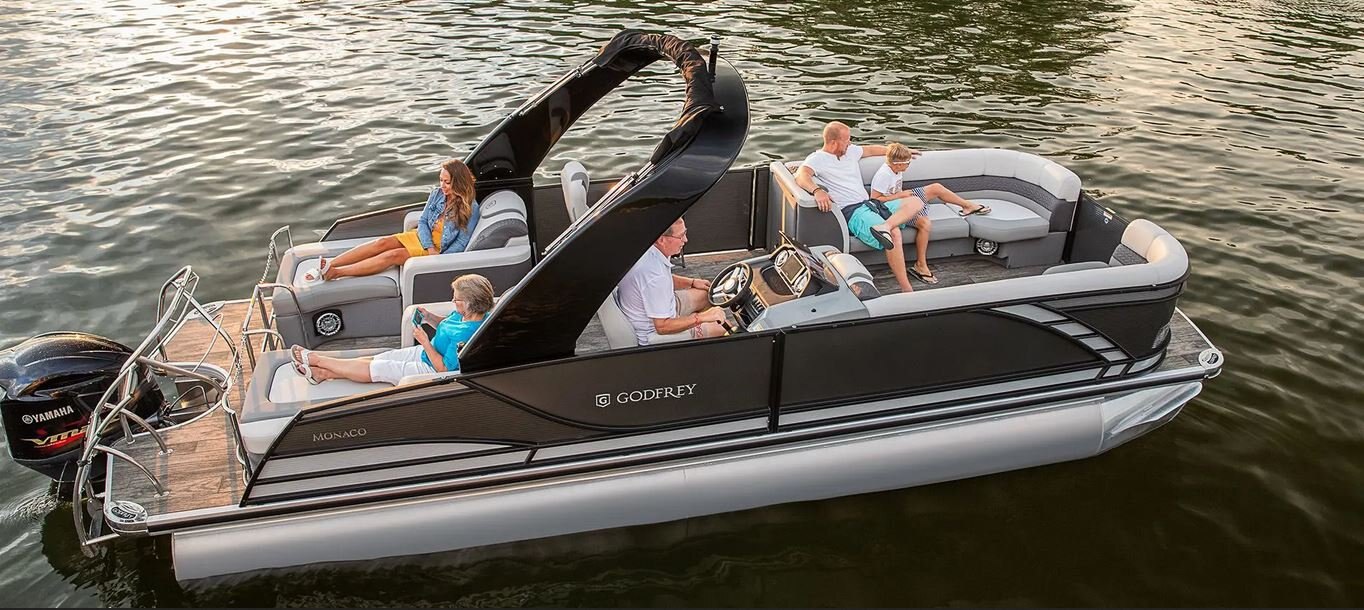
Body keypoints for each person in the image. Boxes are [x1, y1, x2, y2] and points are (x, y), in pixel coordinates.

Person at [793, 122, 990, 292]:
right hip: (853, 212)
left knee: (916, 201)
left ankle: (885, 226)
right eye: (847, 140)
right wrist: (817, 191)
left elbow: (871, 150)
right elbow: (802, 176)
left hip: (872, 205)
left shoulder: (850, 152)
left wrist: (901, 151)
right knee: (894, 233)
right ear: (834, 142)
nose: (850, 143)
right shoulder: (817, 159)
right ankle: (907, 289)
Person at [289, 274, 494, 385]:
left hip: (431, 367)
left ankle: (318, 360)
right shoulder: (466, 313)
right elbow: (446, 325)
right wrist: (429, 317)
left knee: (378, 369)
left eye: (456, 299)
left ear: (469, 302)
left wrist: (424, 341)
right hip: (426, 353)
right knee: (378, 359)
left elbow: (444, 370)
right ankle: (322, 374)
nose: (452, 301)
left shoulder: (467, 334)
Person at [303, 159, 481, 282]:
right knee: (381, 242)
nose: (442, 185)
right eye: (441, 180)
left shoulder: (471, 208)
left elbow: (461, 243)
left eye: (447, 182)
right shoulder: (437, 194)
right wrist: (428, 244)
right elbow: (423, 221)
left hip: (438, 250)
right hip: (424, 239)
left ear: (458, 182)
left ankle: (335, 273)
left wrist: (435, 256)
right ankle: (328, 264)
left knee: (392, 256)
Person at [867, 142, 990, 284]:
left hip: (903, 200)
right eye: (907, 163)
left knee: (936, 188)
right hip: (891, 209)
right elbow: (875, 200)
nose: (909, 165)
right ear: (898, 164)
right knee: (925, 223)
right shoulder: (883, 175)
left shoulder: (897, 169)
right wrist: (901, 195)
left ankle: (968, 206)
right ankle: (921, 265)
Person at [616, 218, 728, 345]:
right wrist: (701, 318)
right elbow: (662, 327)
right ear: (661, 239)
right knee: (724, 327)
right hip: (654, 331)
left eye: (685, 233)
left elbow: (664, 279)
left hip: (659, 306)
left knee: (705, 295)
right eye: (680, 236)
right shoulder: (655, 276)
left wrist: (692, 282)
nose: (685, 240)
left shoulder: (652, 250)